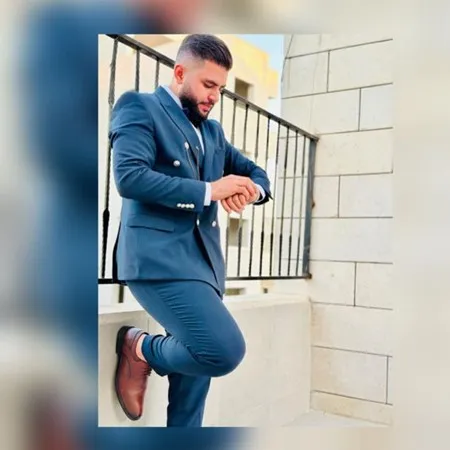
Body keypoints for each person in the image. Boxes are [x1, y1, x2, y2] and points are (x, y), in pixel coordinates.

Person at [110, 34, 272, 428]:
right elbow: (130, 177)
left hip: (204, 267)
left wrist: (252, 191)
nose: (214, 96)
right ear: (180, 73)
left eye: (221, 88)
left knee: (191, 398)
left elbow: (256, 173)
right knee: (222, 351)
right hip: (157, 261)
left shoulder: (213, 132)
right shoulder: (139, 106)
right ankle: (141, 348)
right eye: (208, 84)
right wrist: (210, 191)